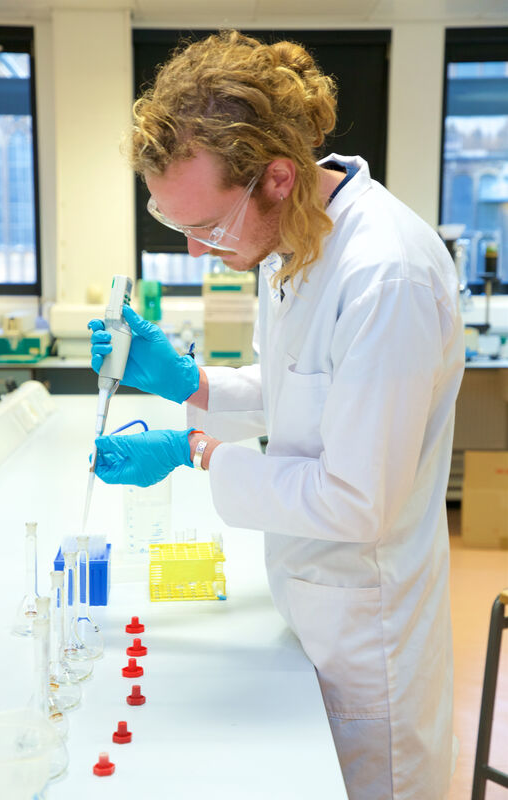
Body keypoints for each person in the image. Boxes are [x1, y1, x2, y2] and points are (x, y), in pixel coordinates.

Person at [89, 30, 464, 800]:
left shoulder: (383, 274)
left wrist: (200, 452)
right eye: (175, 225)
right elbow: (295, 390)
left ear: (278, 178)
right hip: (307, 602)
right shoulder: (289, 244)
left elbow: (357, 500)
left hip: (368, 638)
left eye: (209, 228)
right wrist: (188, 382)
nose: (197, 250)